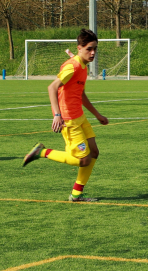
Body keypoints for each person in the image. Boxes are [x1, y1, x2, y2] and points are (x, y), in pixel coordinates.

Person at [22, 29, 109, 202]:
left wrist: (97, 115)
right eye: (89, 49)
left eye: (95, 49)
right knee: (83, 160)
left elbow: (81, 94)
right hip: (69, 120)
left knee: (94, 152)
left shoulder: (82, 66)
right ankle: (42, 152)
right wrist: (56, 115)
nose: (93, 53)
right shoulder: (73, 66)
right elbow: (52, 87)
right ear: (79, 48)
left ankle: (76, 194)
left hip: (80, 117)